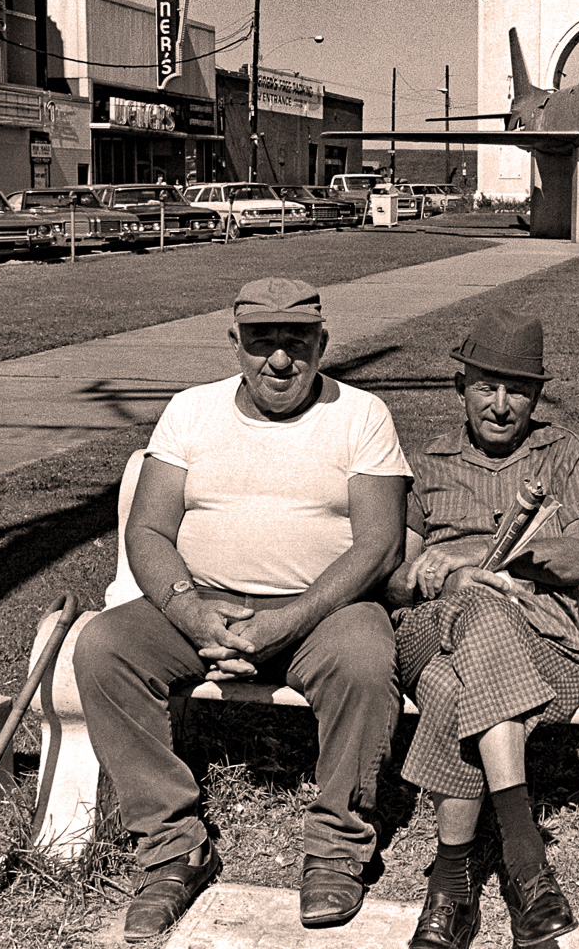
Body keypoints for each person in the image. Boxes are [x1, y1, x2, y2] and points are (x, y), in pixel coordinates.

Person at [72, 278, 410, 941]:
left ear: (323, 343)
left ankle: (337, 848)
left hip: (323, 609)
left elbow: (378, 545)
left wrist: (285, 621)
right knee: (102, 647)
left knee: (367, 658)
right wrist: (194, 615)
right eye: (262, 341)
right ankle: (173, 851)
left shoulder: (362, 414)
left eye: (296, 341)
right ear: (235, 344)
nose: (278, 359)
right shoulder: (192, 411)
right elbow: (146, 532)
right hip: (204, 604)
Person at [387, 309, 579, 949]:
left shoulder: (563, 452)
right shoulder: (425, 464)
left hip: (543, 645)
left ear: (537, 396)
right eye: (487, 386)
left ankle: (449, 889)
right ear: (462, 387)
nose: (502, 405)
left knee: (459, 691)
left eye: (519, 390)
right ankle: (525, 858)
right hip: (432, 632)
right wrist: (440, 576)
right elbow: (396, 580)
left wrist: (513, 561)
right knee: (477, 605)